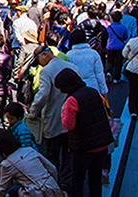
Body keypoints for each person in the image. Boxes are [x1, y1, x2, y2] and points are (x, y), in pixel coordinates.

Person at [28, 45, 80, 192]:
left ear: (45, 55)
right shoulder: (72, 67)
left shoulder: (47, 71)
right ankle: (66, 183)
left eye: (38, 60)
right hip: (71, 119)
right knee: (69, 154)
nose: (39, 64)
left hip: (53, 119)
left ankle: (53, 185)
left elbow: (42, 96)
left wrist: (33, 112)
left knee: (51, 155)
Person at [55, 69, 114, 197]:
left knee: (77, 179)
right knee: (95, 179)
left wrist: (63, 112)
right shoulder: (94, 92)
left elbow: (69, 125)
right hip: (102, 144)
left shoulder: (72, 100)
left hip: (84, 147)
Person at [0, 130, 63, 197]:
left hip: (36, 192)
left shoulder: (7, 164)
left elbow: (2, 189)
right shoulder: (29, 150)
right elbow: (52, 169)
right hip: (51, 186)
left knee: (13, 190)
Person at [66, 30, 108, 96]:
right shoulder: (94, 53)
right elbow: (99, 74)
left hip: (76, 90)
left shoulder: (69, 55)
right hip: (93, 88)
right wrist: (104, 90)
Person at [105, 11, 129, 83]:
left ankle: (109, 74)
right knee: (119, 62)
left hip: (110, 46)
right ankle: (116, 78)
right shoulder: (123, 27)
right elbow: (125, 37)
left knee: (110, 61)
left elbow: (106, 37)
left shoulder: (109, 28)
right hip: (120, 47)